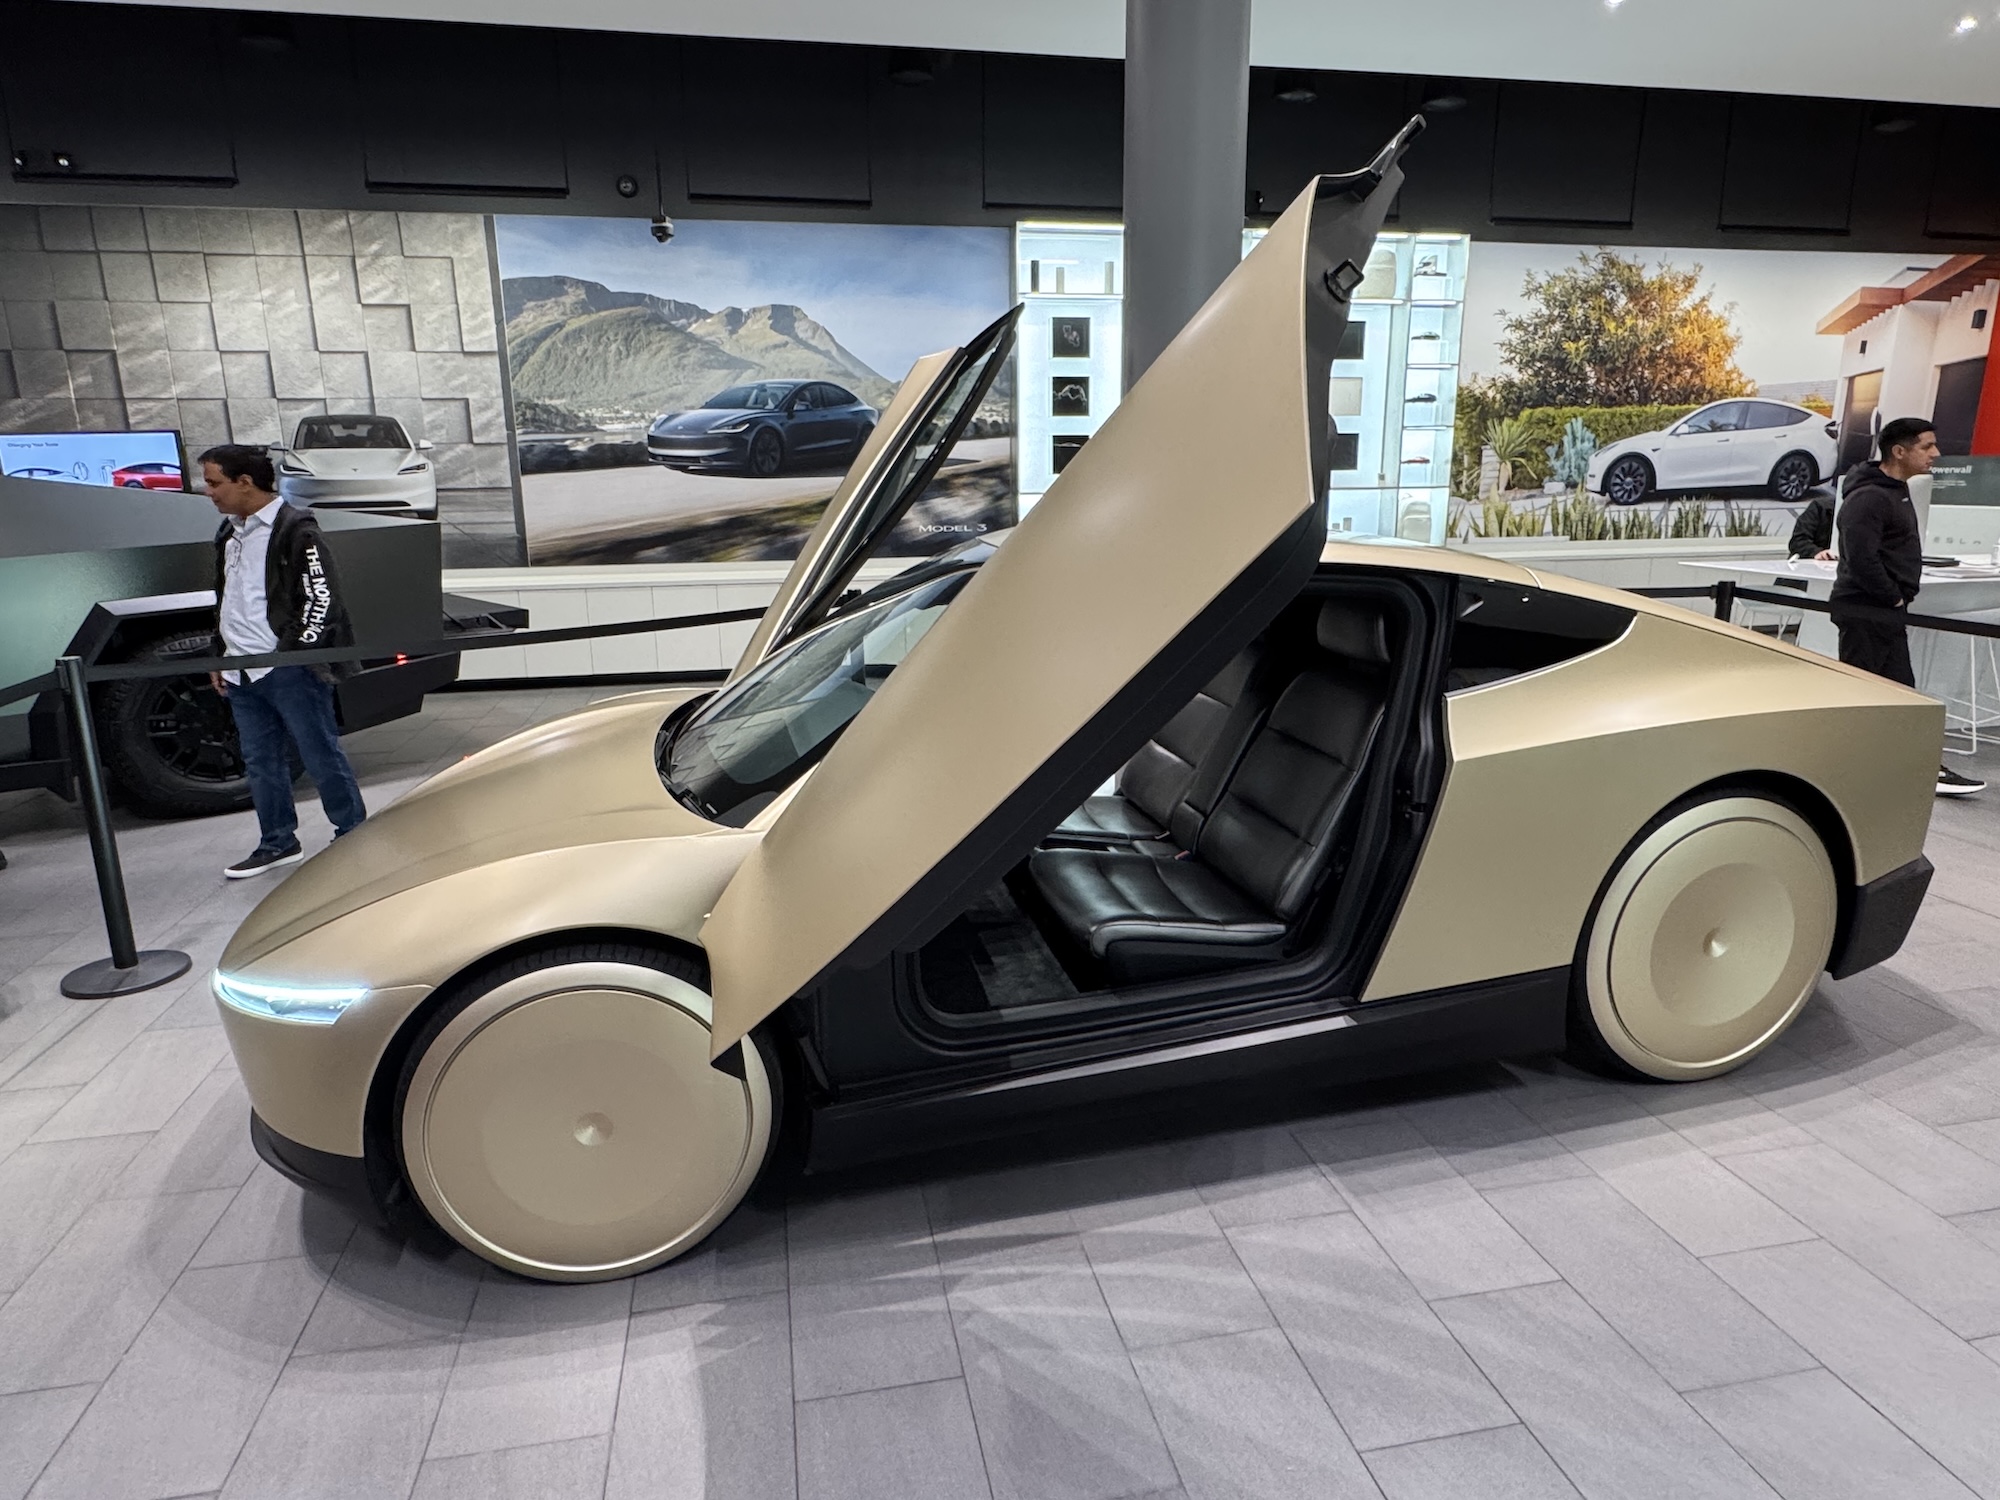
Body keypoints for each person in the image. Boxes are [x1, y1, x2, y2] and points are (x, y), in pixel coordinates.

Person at [200, 444, 368, 875]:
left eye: (214, 482)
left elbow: (321, 598)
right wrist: (220, 654)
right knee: (260, 761)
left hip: (287, 668)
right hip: (240, 670)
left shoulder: (297, 529)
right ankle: (277, 841)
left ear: (245, 482)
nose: (208, 492)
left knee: (319, 752)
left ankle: (353, 833)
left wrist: (292, 656)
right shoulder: (229, 533)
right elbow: (228, 599)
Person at [1831, 417, 1984, 797]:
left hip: (1882, 611)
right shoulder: (1870, 497)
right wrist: (1892, 596)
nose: (1936, 453)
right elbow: (1860, 557)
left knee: (1899, 696)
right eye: (1926, 446)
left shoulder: (1894, 491)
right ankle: (1851, 772)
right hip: (1867, 611)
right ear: (1899, 451)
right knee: (1866, 694)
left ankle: (1914, 769)